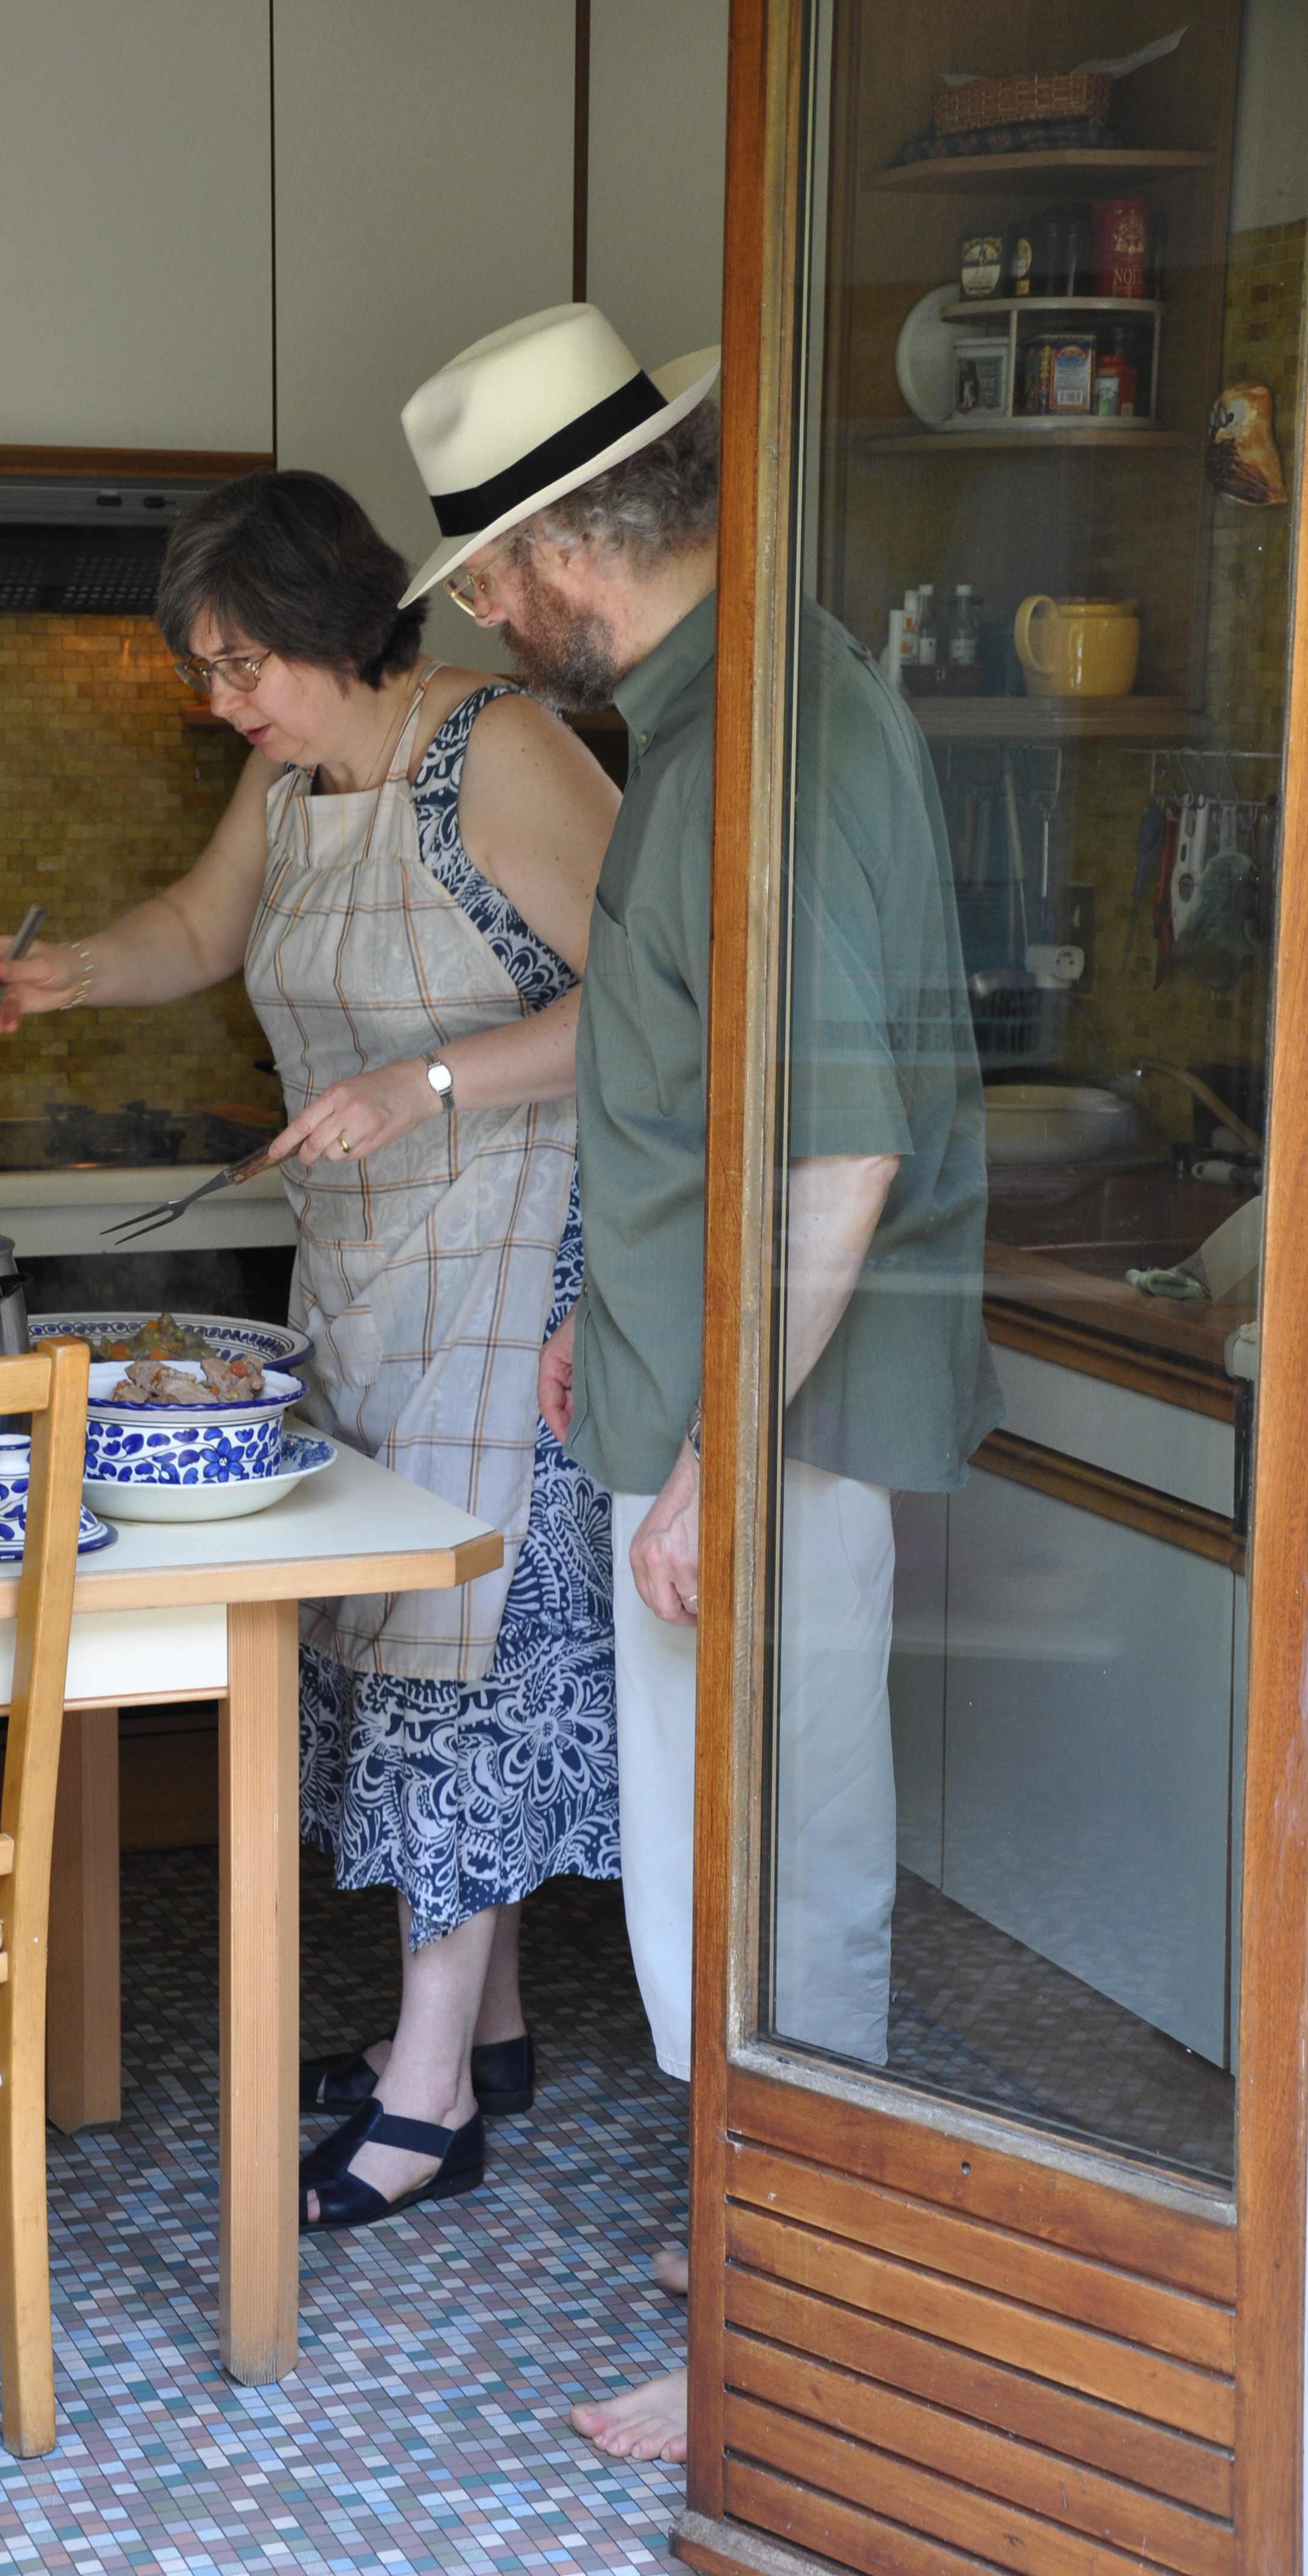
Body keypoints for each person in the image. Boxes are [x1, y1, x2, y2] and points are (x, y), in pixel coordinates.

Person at [397, 303, 1000, 2459]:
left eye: (485, 577)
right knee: (704, 1871)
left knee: (782, 1875)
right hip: (709, 1399)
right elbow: (700, 1089)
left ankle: (798, 2343)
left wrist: (720, 1461)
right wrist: (621, 1317)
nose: (487, 618)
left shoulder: (771, 736)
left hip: (777, 1428)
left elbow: (842, 1158)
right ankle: (759, 2231)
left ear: (561, 548)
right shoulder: (706, 715)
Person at [0, 467, 623, 2232]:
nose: (221, 701)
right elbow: (201, 929)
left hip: (516, 1261)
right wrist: (66, 975)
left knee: (457, 1669)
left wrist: (426, 1082)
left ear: (336, 625)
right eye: (204, 670)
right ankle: (483, 2036)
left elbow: (660, 1002)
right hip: (366, 1268)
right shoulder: (291, 777)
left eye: (242, 663)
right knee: (381, 1649)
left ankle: (432, 2104)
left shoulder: (499, 749)